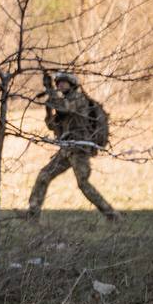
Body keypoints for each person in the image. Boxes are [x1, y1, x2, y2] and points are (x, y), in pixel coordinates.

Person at [26, 72, 120, 222]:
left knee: (83, 184)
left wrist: (50, 91)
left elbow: (64, 108)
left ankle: (111, 215)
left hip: (80, 149)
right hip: (67, 149)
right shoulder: (64, 101)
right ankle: (32, 214)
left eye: (64, 82)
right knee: (44, 175)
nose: (60, 85)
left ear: (72, 84)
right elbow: (52, 125)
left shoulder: (78, 99)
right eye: (58, 83)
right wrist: (48, 109)